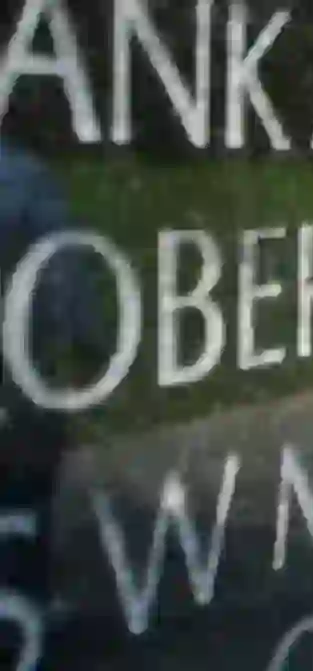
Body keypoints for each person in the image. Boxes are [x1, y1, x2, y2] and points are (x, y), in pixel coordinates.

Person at [0, 140, 108, 670]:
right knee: (25, 483)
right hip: (19, 369)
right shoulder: (23, 175)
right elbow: (62, 269)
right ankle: (26, 595)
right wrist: (89, 342)